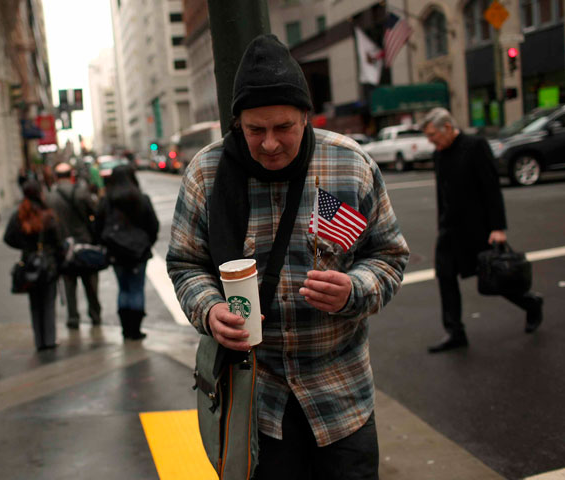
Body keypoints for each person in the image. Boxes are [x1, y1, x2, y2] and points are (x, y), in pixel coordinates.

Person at [166, 34, 409, 478]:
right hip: (255, 402)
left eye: (284, 128)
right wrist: (210, 309)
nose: (271, 144)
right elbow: (185, 265)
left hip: (342, 400)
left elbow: (389, 256)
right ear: (237, 123)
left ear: (306, 118)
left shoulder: (349, 165)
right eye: (255, 130)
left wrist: (354, 289)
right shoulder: (206, 172)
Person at [421, 108, 544, 353]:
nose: (431, 140)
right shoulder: (439, 153)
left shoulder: (475, 146)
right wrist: (441, 223)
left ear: (447, 127)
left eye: (433, 134)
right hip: (449, 229)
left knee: (494, 278)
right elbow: (442, 193)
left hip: (477, 228)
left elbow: (491, 188)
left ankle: (530, 302)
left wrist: (498, 227)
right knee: (445, 276)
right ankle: (455, 331)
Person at [95, 165, 159, 340]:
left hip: (116, 252)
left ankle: (125, 329)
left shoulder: (107, 200)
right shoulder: (141, 198)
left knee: (123, 289)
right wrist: (146, 244)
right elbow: (153, 225)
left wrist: (107, 245)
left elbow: (98, 227)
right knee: (137, 289)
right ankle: (136, 330)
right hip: (139, 253)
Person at [4, 180, 66, 351]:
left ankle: (39, 340)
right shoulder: (47, 214)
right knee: (48, 301)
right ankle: (49, 339)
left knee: (35, 303)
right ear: (40, 193)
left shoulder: (20, 214)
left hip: (29, 262)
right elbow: (58, 240)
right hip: (48, 262)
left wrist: (25, 247)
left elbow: (8, 237)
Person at [48, 162, 102, 329]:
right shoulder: (80, 192)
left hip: (65, 247)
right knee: (91, 284)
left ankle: (73, 318)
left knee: (69, 284)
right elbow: (95, 212)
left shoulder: (51, 197)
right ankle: (95, 315)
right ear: (71, 175)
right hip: (84, 244)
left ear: (56, 176)